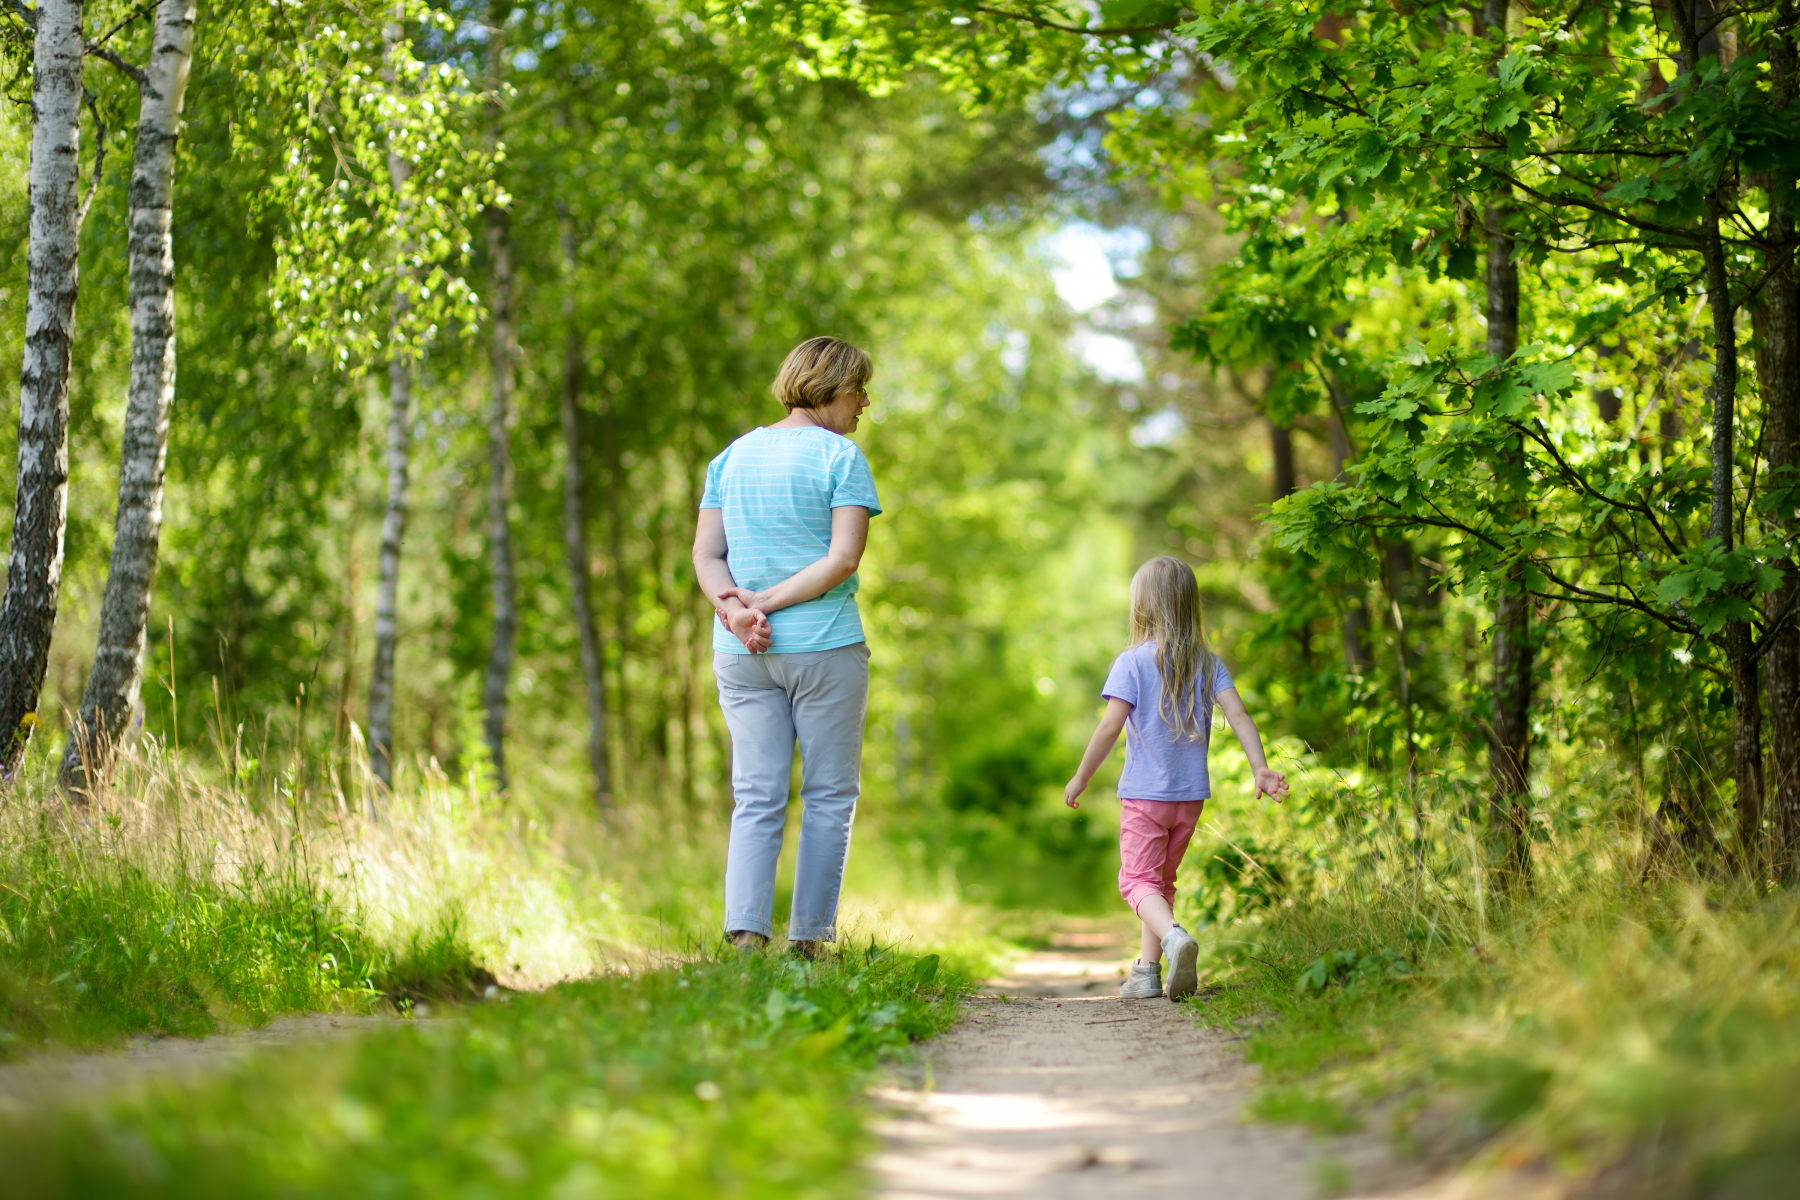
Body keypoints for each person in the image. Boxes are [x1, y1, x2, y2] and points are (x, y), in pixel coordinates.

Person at [691, 336, 880, 957]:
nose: (864, 404)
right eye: (859, 390)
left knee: (756, 794)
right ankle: (808, 945)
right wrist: (762, 605)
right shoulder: (841, 457)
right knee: (828, 795)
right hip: (824, 648)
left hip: (744, 654)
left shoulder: (731, 457)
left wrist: (733, 609)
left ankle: (745, 941)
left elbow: (707, 555)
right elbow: (844, 557)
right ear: (831, 388)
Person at [1064, 556, 1289, 1000]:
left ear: (1143, 606)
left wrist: (1081, 776)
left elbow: (1109, 727)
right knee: (1160, 883)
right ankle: (1147, 972)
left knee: (1135, 881)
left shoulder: (1131, 663)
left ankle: (1173, 939)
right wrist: (1259, 768)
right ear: (1190, 605)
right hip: (1189, 799)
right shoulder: (1208, 663)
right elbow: (1239, 715)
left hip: (1146, 797)